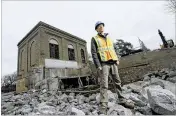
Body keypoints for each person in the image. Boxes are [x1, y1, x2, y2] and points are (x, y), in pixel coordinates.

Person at [91, 21, 134, 115]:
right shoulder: (95, 39)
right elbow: (94, 53)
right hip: (104, 64)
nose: (101, 27)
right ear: (96, 29)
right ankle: (103, 105)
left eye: (102, 26)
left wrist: (117, 59)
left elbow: (113, 49)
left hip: (113, 62)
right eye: (98, 26)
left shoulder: (109, 37)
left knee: (118, 82)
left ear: (103, 27)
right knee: (104, 85)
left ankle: (122, 100)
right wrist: (98, 65)